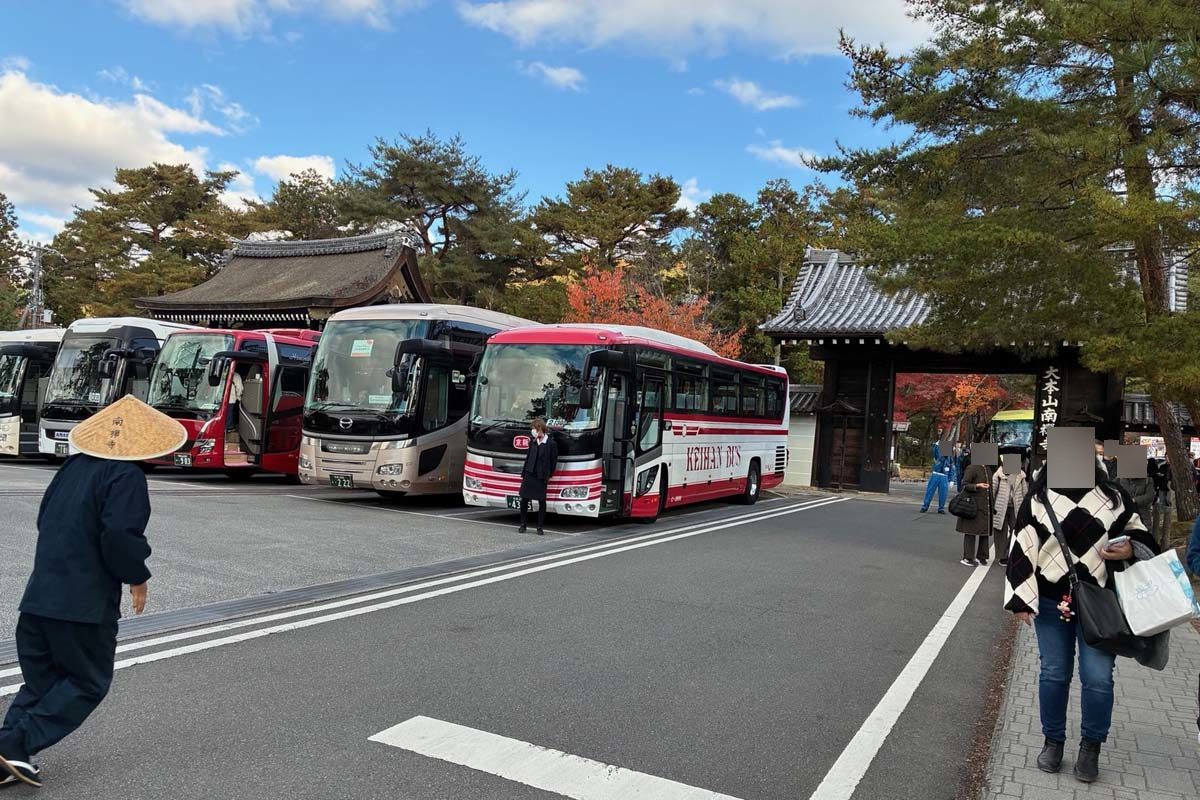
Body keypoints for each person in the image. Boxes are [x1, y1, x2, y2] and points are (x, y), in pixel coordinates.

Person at [0, 395, 185, 788]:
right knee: (86, 682)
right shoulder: (126, 476)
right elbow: (120, 536)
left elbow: (44, 519)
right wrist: (137, 576)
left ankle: (7, 753)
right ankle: (15, 744)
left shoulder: (72, 467)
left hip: (40, 597)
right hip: (82, 604)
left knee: (42, 681)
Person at [1004, 456, 1157, 785]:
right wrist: (1020, 600)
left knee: (1098, 677)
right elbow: (1021, 549)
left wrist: (1130, 549)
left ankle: (1091, 746)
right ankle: (1053, 741)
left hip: (1101, 603)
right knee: (1054, 673)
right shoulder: (1038, 498)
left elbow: (1143, 536)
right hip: (1049, 602)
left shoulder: (1116, 499)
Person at [518, 417, 558, 536]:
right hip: (529, 474)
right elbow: (528, 457)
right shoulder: (533, 442)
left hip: (541, 476)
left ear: (541, 429)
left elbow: (553, 461)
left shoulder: (551, 443)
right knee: (524, 498)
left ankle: (539, 526)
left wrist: (549, 475)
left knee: (541, 501)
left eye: (535, 429)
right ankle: (522, 524)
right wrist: (524, 473)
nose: (533, 431)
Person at [956, 449, 992, 566]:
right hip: (973, 504)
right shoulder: (972, 467)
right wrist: (977, 485)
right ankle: (967, 557)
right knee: (970, 531)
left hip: (986, 504)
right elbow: (964, 484)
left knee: (984, 531)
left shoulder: (987, 468)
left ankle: (982, 556)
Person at [991, 459, 1027, 567]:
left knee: (1016, 530)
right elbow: (993, 491)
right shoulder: (998, 474)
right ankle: (1003, 556)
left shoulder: (1021, 475)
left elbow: (1025, 492)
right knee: (1000, 530)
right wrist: (991, 506)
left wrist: (1026, 506)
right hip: (1001, 507)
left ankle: (1010, 552)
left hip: (1016, 506)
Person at [920, 439, 954, 514]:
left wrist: (951, 479)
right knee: (930, 491)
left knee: (943, 493)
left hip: (944, 476)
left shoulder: (949, 458)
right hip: (935, 474)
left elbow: (952, 468)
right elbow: (935, 451)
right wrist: (936, 445)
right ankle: (925, 506)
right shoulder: (938, 456)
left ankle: (941, 508)